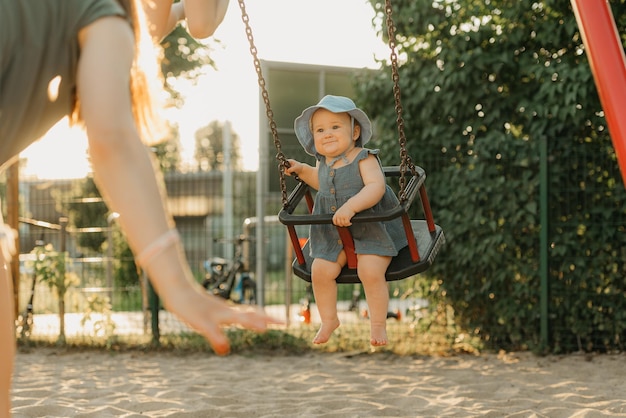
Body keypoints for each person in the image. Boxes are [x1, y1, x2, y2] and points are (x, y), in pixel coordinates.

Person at [0, 0, 278, 415]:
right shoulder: (99, 13)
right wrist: (178, 286)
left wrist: (180, 13)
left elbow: (167, 24)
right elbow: (111, 141)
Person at [285, 95, 408, 347]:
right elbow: (322, 183)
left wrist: (351, 206)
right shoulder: (324, 163)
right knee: (321, 271)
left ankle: (377, 325)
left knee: (370, 271)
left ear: (354, 132)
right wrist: (301, 169)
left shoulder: (364, 158)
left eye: (335, 127)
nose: (327, 134)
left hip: (372, 229)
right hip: (335, 235)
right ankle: (329, 319)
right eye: (319, 130)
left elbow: (376, 187)